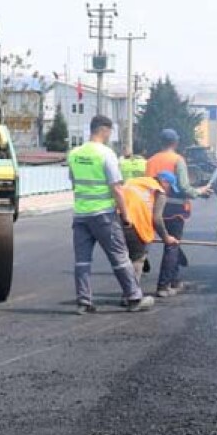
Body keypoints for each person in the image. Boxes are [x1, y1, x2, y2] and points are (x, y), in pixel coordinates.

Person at [68, 115, 151, 313]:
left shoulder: (74, 153)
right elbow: (117, 188)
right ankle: (133, 298)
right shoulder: (106, 154)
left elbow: (73, 181)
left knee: (82, 261)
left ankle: (83, 302)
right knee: (120, 257)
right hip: (103, 215)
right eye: (109, 131)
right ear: (104, 130)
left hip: (80, 215)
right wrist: (125, 215)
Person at [146, 129, 210, 297]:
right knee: (172, 245)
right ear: (175, 142)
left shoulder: (151, 161)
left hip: (155, 208)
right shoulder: (177, 160)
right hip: (174, 209)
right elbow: (183, 187)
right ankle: (163, 285)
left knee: (171, 243)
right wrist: (200, 191)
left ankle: (175, 281)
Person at [119, 171, 181, 287]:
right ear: (164, 182)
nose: (168, 191)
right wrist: (166, 237)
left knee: (123, 258)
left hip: (115, 221)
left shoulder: (135, 181)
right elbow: (157, 219)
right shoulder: (158, 190)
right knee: (138, 259)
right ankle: (132, 295)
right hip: (134, 225)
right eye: (169, 187)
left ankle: (129, 290)